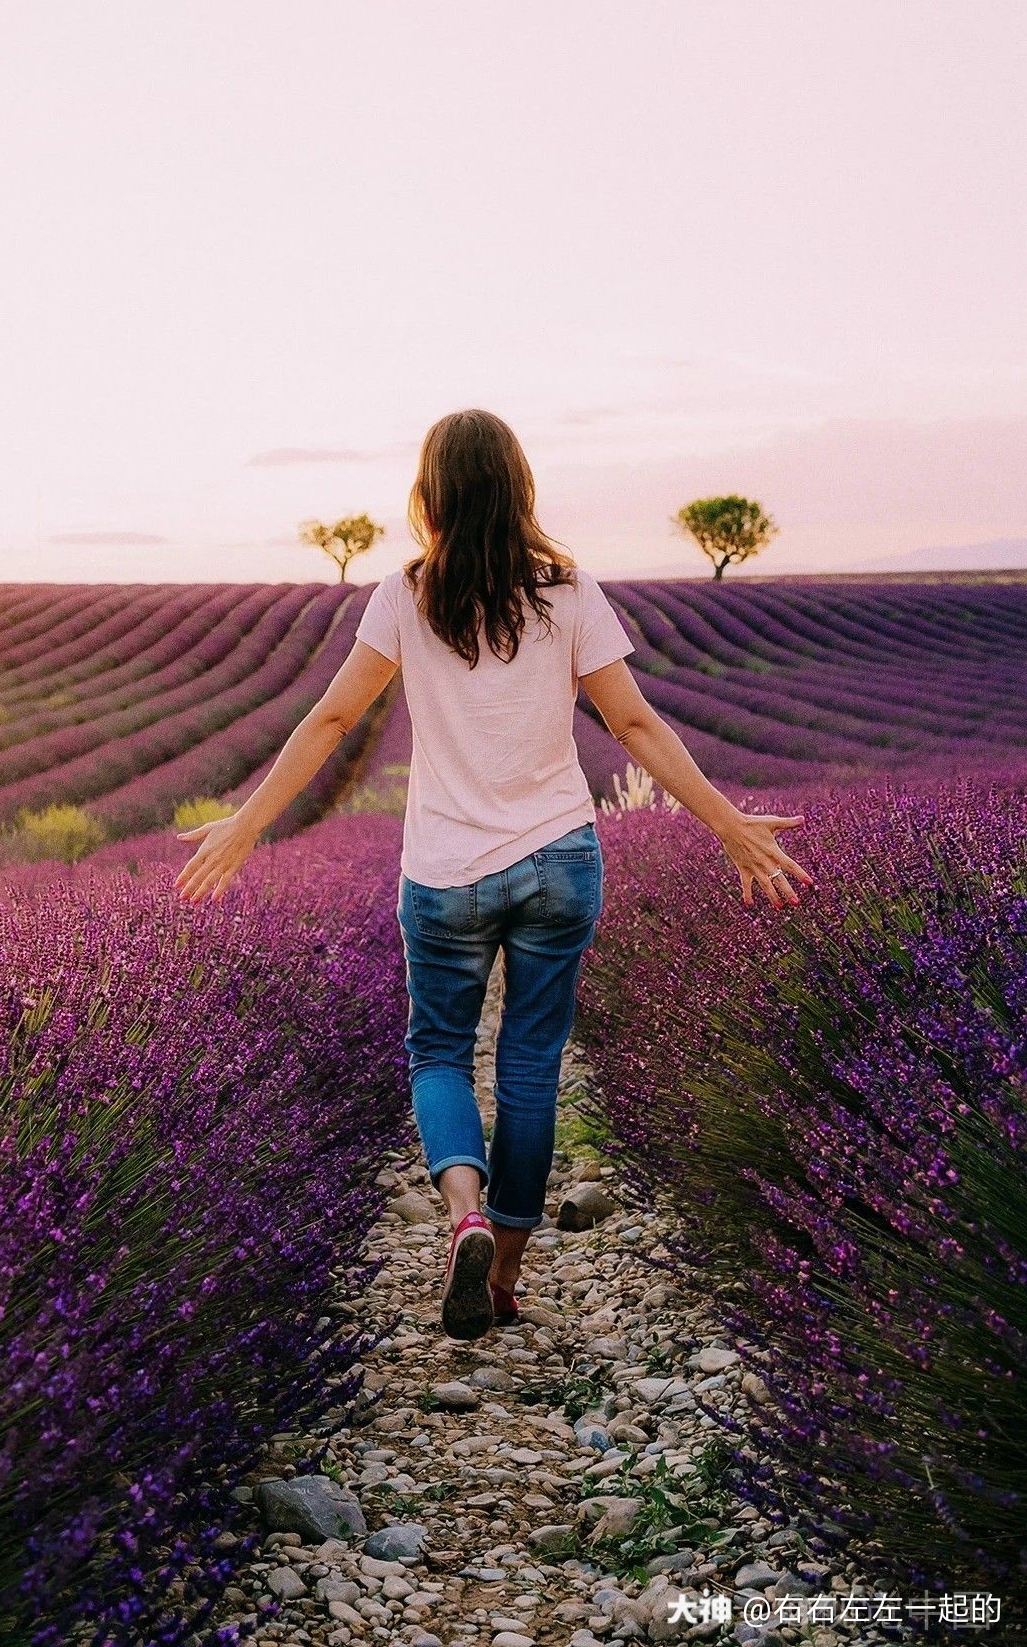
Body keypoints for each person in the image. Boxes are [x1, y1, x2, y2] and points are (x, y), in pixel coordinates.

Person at [174, 408, 813, 1342]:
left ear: (429, 495)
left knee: (437, 1050)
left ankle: (463, 1214)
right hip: (559, 858)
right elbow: (632, 725)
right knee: (530, 1063)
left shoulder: (405, 593)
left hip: (444, 872)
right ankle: (507, 1266)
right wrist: (727, 826)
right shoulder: (568, 588)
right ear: (520, 487)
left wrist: (247, 826)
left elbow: (331, 720)